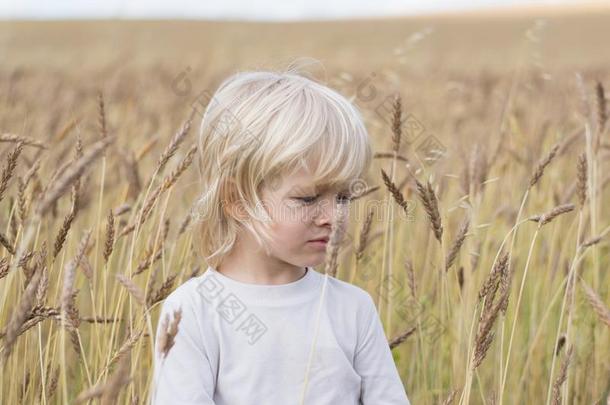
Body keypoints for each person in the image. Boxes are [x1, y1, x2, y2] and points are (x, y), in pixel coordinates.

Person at [151, 58, 411, 405]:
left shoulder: (353, 310)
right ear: (237, 200)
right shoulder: (194, 310)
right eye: (307, 198)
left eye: (345, 196)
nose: (333, 216)